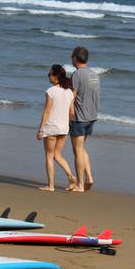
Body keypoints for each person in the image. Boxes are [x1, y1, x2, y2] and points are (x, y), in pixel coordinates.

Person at [36, 64, 76, 192]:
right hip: (64, 128)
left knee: (49, 156)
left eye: (49, 74)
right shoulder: (69, 92)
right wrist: (67, 124)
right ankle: (71, 176)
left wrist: (41, 129)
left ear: (55, 76)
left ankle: (51, 185)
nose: (48, 76)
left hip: (52, 127)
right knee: (58, 155)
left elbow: (47, 111)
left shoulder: (51, 91)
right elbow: (72, 112)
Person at [69, 46, 99, 192]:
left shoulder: (77, 74)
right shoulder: (94, 74)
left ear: (75, 58)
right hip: (92, 116)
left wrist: (69, 114)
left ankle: (80, 184)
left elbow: (72, 97)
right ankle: (89, 178)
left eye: (72, 56)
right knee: (81, 148)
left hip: (79, 117)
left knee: (77, 150)